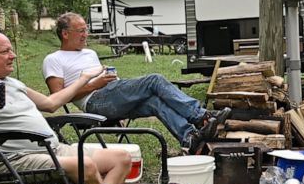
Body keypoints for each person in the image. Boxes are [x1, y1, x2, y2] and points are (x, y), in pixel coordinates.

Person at [0, 31, 131, 184]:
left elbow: (51, 103)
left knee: (121, 158)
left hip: (52, 150)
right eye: (5, 51)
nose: (13, 55)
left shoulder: (13, 83)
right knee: (85, 165)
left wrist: (84, 79)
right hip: (12, 159)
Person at [43, 12, 229, 154]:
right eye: (81, 30)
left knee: (155, 102)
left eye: (86, 29)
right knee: (154, 80)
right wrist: (96, 84)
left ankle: (188, 137)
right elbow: (57, 98)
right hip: (95, 102)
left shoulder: (90, 53)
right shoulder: (54, 59)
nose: (86, 34)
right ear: (65, 34)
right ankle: (201, 116)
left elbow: (106, 81)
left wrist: (109, 79)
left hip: (114, 95)